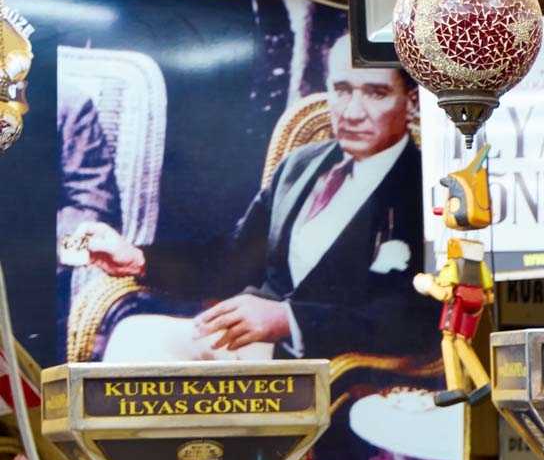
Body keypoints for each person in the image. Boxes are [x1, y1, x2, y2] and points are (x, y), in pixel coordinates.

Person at [78, 35, 426, 361]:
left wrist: (291, 319)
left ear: (411, 103)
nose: (351, 112)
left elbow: (414, 317)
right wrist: (137, 259)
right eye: (341, 90)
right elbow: (232, 261)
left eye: (376, 93)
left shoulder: (425, 185)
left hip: (346, 367)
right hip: (263, 349)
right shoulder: (300, 166)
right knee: (134, 338)